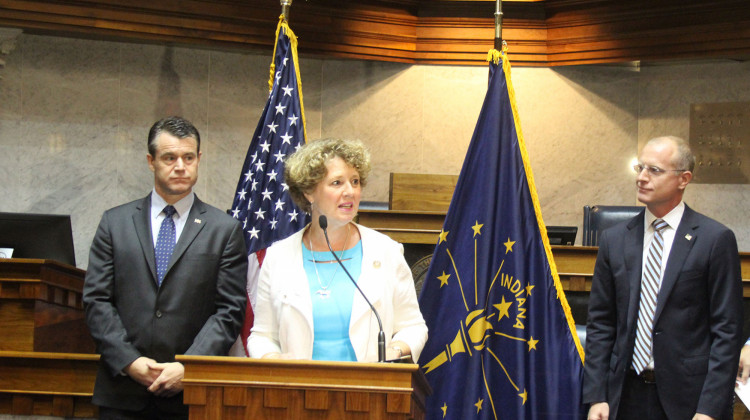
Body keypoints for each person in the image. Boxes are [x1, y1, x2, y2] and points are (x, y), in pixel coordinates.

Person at [83, 116, 248, 420]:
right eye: (169, 157)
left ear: (199, 159)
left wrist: (189, 366)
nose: (180, 166)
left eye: (188, 157)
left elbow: (229, 310)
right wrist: (129, 361)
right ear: (151, 161)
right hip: (121, 392)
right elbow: (97, 301)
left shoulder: (224, 230)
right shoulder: (114, 223)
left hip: (191, 395)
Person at [583, 135, 743, 420]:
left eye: (654, 170)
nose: (642, 178)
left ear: (684, 179)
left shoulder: (714, 239)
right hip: (624, 397)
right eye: (640, 168)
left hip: (688, 401)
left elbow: (727, 332)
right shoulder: (615, 239)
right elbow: (601, 323)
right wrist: (597, 395)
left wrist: (709, 409)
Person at [247, 138, 428, 362]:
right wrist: (272, 359)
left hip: (369, 389)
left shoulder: (386, 251)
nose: (350, 191)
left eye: (355, 181)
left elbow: (413, 326)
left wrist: (396, 351)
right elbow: (261, 336)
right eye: (337, 183)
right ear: (309, 192)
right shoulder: (278, 257)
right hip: (296, 390)